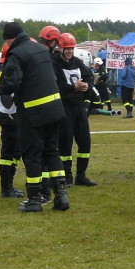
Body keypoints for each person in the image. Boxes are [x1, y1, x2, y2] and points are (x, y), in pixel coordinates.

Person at [0, 22, 69, 213]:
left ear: (9, 39)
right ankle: (61, 195)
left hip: (33, 112)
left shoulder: (16, 54)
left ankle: (34, 199)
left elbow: (11, 84)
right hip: (55, 109)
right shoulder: (40, 49)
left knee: (32, 154)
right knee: (52, 151)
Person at [54, 32, 97, 187]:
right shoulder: (55, 63)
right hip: (65, 107)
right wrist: (74, 87)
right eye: (66, 49)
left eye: (71, 48)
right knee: (65, 142)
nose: (69, 52)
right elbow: (55, 87)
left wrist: (87, 86)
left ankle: (81, 175)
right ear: (60, 48)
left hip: (79, 106)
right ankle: (67, 177)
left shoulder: (77, 62)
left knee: (85, 142)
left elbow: (90, 77)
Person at [0, 45, 23, 198]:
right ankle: (6, 188)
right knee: (9, 150)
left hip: (13, 113)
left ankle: (9, 184)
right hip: (7, 112)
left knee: (17, 150)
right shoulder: (5, 71)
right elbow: (5, 90)